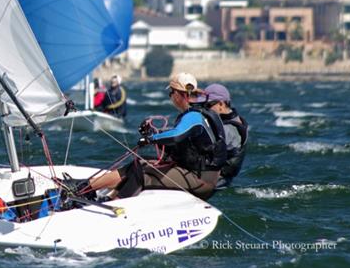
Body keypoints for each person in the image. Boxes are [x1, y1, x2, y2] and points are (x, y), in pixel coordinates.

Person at [67, 73, 226, 201]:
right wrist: (152, 134)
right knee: (137, 163)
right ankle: (86, 187)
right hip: (190, 172)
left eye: (171, 93)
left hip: (202, 181)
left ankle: (115, 204)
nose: (170, 97)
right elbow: (178, 143)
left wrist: (152, 139)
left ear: (179, 94)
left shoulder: (194, 116)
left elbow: (177, 136)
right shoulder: (194, 114)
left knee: (142, 175)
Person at [193, 83, 249, 189]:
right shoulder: (225, 122)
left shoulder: (230, 129)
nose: (204, 109)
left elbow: (204, 146)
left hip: (216, 182)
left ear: (221, 104)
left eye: (208, 105)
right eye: (202, 105)